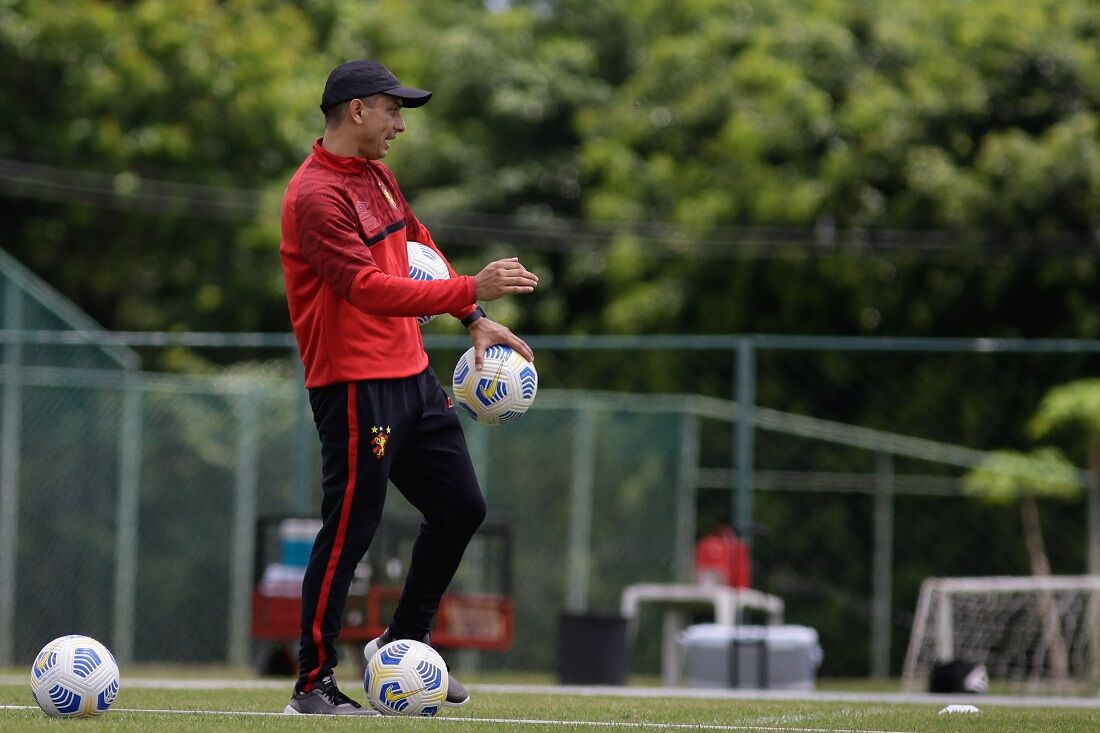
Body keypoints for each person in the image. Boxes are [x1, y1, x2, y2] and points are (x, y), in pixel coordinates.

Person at [279, 59, 539, 716]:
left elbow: (416, 243)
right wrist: (469, 287)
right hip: (353, 383)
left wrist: (473, 317)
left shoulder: (376, 176)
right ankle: (312, 684)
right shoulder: (314, 196)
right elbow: (364, 287)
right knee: (351, 529)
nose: (400, 124)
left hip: (411, 376)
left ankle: (402, 645)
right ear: (358, 111)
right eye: (393, 110)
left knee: (462, 508)